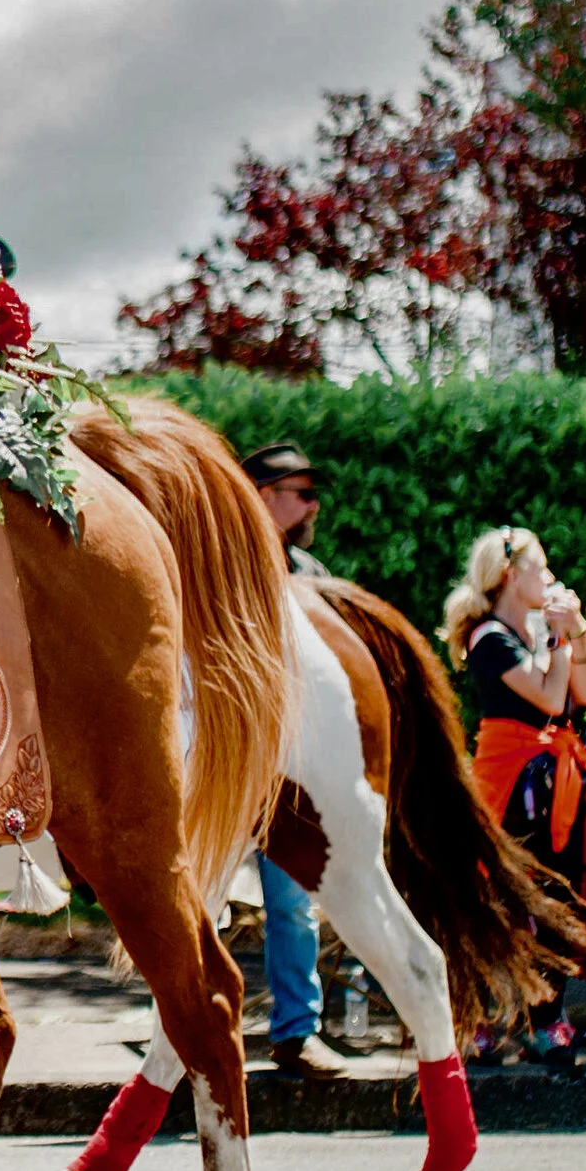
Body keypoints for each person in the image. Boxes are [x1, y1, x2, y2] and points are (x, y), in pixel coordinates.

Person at [441, 525, 586, 1057]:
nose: (551, 577)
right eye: (542, 566)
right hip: (509, 780)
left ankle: (546, 1012)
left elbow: (584, 690)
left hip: (556, 779)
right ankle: (480, 1013)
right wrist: (558, 639)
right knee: (497, 897)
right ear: (511, 574)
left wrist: (577, 633)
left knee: (559, 896)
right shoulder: (488, 637)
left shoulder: (535, 632)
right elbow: (552, 699)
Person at [239, 442, 345, 1077]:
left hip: (292, 761)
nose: (313, 504)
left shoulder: (311, 571)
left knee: (292, 901)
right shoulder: (220, 563)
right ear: (263, 495)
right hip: (224, 759)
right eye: (301, 493)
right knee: (186, 903)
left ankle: (297, 1032)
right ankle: (181, 1032)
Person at [240, 441, 330, 579]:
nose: (314, 506)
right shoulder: (225, 569)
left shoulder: (312, 572)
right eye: (306, 495)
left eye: (315, 495)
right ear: (266, 496)